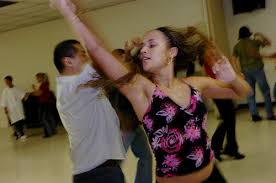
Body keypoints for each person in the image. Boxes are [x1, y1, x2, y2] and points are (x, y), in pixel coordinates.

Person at [50, 0, 251, 182]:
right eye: (143, 46)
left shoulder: (196, 84)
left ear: (171, 53)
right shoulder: (141, 89)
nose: (144, 49)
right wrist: (73, 14)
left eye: (152, 45)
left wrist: (233, 78)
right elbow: (97, 50)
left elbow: (243, 92)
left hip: (212, 176)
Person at [53, 39, 125, 183]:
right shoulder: (76, 86)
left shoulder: (73, 87)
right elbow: (105, 61)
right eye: (83, 55)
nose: (87, 59)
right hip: (100, 172)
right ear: (68, 62)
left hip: (95, 168)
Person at [111, 48, 153, 183]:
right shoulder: (112, 78)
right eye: (120, 58)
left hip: (134, 125)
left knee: (146, 156)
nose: (124, 61)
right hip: (122, 128)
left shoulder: (130, 76)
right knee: (113, 166)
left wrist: (130, 53)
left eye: (124, 58)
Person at [199, 44, 245, 161]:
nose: (213, 51)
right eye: (210, 49)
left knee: (229, 120)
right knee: (229, 119)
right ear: (206, 52)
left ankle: (224, 148)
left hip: (221, 92)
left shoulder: (211, 60)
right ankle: (222, 148)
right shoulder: (209, 62)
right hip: (219, 93)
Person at [231, 26, 276, 122]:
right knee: (266, 92)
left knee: (250, 94)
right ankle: (270, 115)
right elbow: (268, 43)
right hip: (258, 70)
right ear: (248, 34)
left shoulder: (237, 46)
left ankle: (255, 115)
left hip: (246, 72)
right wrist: (261, 35)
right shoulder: (254, 42)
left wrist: (238, 72)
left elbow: (233, 60)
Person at [1, 75, 27, 141]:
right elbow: (4, 100)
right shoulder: (5, 91)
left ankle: (19, 133)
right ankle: (21, 134)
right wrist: (5, 108)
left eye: (7, 81)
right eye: (5, 82)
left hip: (18, 107)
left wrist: (27, 95)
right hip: (11, 108)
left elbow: (23, 96)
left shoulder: (17, 88)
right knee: (15, 121)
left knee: (20, 120)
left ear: (11, 81)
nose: (6, 83)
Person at [31, 72, 57, 137]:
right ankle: (53, 131)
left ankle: (48, 133)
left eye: (37, 77)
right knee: (48, 117)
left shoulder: (44, 84)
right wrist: (34, 91)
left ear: (41, 78)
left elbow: (39, 93)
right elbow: (39, 93)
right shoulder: (44, 84)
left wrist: (34, 90)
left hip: (45, 103)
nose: (36, 79)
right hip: (45, 103)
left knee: (44, 118)